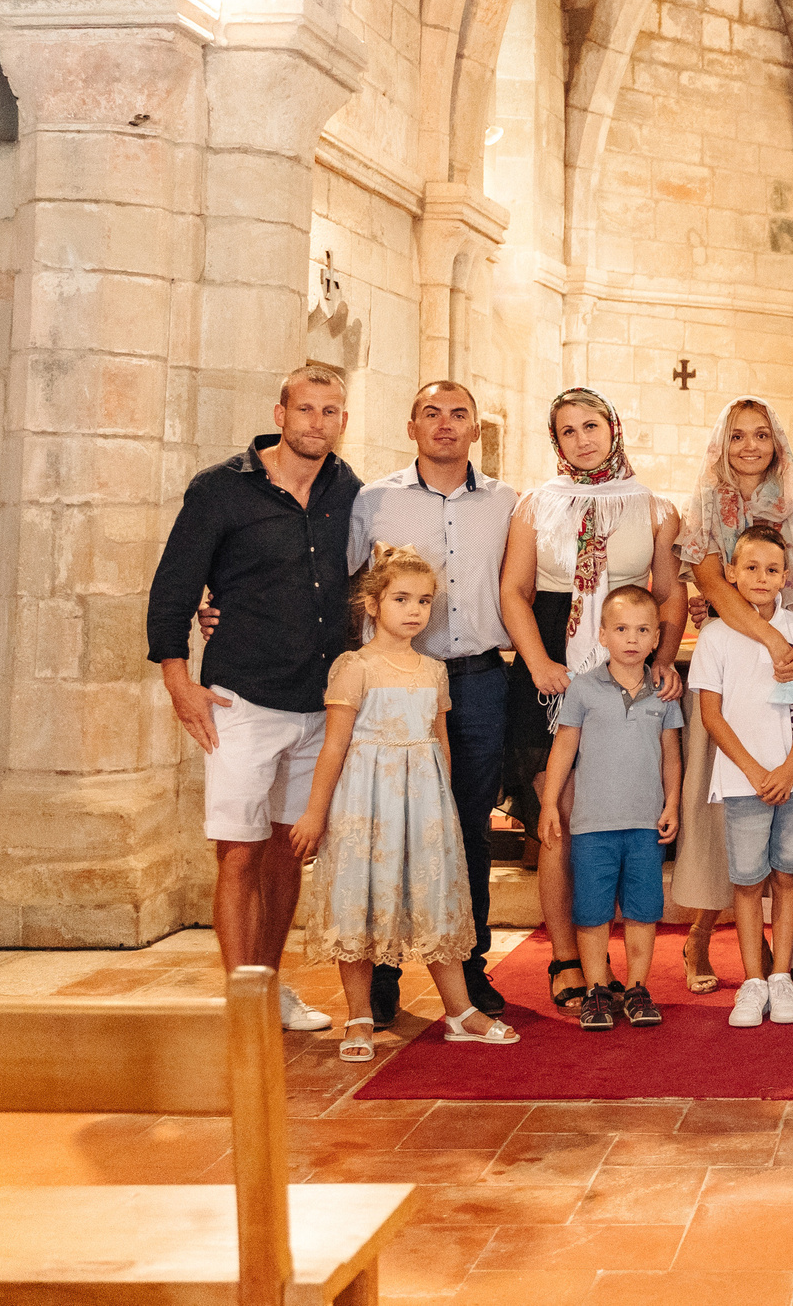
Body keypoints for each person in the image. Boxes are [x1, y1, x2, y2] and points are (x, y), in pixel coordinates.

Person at [146, 362, 360, 1033]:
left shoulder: (347, 489)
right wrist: (180, 682)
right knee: (238, 850)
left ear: (342, 421)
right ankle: (241, 1004)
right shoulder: (221, 491)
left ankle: (269, 987)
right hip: (242, 699)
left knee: (284, 849)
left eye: (330, 411)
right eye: (306, 409)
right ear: (280, 413)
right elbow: (174, 590)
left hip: (317, 700)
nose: (316, 423)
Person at [498, 388, 685, 1019]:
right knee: (561, 820)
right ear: (556, 441)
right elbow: (514, 591)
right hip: (552, 672)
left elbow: (668, 593)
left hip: (626, 670)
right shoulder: (534, 506)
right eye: (568, 430)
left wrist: (660, 661)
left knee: (617, 813)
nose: (583, 438)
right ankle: (567, 958)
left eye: (592, 425)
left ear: (614, 427)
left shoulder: (654, 509)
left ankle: (619, 969)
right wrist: (539, 664)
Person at [291, 544, 519, 1058]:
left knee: (434, 901)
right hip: (365, 805)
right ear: (372, 604)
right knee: (362, 906)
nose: (414, 610)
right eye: (401, 599)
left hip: (424, 807)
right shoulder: (355, 666)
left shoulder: (433, 670)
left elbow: (440, 744)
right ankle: (359, 1016)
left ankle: (460, 1011)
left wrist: (447, 812)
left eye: (423, 601)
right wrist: (314, 813)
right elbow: (333, 745)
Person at [347, 380, 519, 1028]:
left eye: (458, 414)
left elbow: (521, 585)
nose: (445, 424)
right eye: (431, 413)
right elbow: (346, 585)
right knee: (393, 823)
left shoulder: (506, 502)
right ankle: (385, 968)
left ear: (476, 429)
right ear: (411, 425)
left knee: (465, 823)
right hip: (395, 684)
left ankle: (470, 961)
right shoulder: (375, 499)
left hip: (477, 679)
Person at [679, 395, 793, 995]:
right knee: (725, 816)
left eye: (761, 435)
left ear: (777, 443)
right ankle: (699, 934)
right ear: (722, 443)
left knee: (785, 820)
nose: (749, 446)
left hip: (792, 661)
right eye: (737, 435)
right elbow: (712, 581)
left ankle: (777, 952)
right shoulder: (704, 509)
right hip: (744, 658)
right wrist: (773, 638)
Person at [692, 524, 793, 1028]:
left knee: (789, 878)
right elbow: (712, 715)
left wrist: (791, 767)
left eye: (772, 569)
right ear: (731, 574)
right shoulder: (716, 634)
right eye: (750, 568)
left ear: (787, 576)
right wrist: (753, 770)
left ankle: (782, 978)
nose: (762, 577)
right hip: (742, 780)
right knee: (748, 884)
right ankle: (752, 981)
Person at [539, 584, 682, 1032]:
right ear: (602, 634)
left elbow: (671, 754)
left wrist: (673, 802)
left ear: (657, 638)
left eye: (642, 630)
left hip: (643, 823)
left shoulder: (662, 692)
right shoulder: (583, 688)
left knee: (642, 910)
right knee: (592, 910)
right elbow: (564, 747)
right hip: (592, 825)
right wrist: (549, 803)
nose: (632, 639)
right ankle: (598, 989)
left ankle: (637, 987)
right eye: (621, 629)